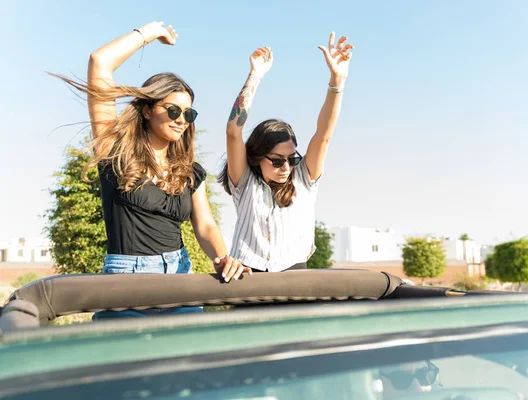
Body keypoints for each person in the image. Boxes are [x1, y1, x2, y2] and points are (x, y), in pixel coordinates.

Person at [52, 21, 251, 318]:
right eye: (172, 110)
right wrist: (151, 32)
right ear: (147, 110)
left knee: (194, 356)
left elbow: (205, 225)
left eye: (188, 113)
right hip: (125, 285)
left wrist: (222, 258)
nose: (181, 119)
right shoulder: (115, 154)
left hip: (179, 277)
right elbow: (100, 63)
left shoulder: (189, 170)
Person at [218, 32, 353, 272]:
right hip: (249, 278)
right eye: (278, 161)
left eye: (292, 159)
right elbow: (233, 131)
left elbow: (323, 134)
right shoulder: (245, 181)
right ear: (258, 157)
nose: (287, 168)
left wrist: (337, 81)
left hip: (295, 276)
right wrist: (255, 75)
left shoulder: (303, 179)